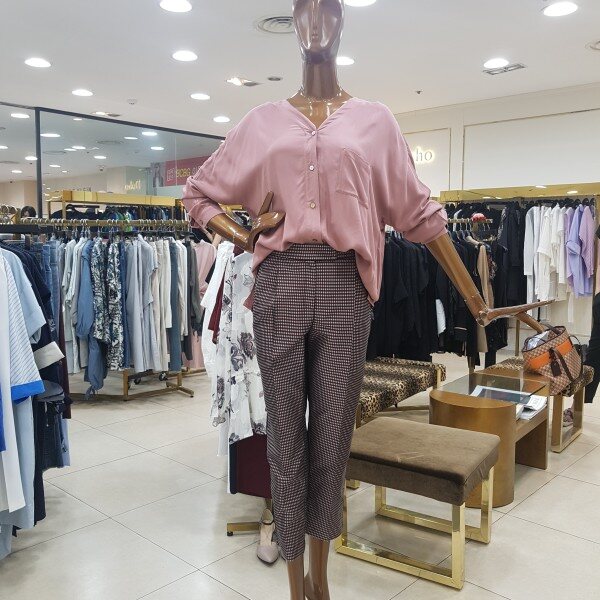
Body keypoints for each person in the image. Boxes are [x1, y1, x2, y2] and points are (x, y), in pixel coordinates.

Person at [183, 2, 549, 598]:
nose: (315, 21)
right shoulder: (262, 122)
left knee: (332, 441)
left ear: (342, 21)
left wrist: (474, 298)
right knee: (285, 442)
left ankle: (321, 581)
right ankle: (296, 584)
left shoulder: (374, 121)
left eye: (327, 8)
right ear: (292, 24)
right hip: (279, 286)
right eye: (302, 10)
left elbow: (420, 215)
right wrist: (246, 236)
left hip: (345, 289)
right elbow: (198, 195)